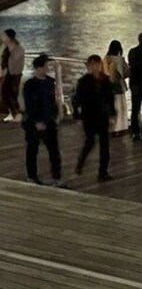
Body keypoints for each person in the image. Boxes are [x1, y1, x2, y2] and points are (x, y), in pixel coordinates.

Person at [20, 54, 64, 186]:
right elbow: (29, 105)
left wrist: (55, 115)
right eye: (45, 66)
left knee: (54, 150)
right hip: (34, 122)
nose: (47, 68)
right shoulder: (29, 85)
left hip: (48, 120)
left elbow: (53, 101)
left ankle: (57, 177)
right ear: (38, 68)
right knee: (32, 149)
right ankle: (32, 176)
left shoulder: (50, 82)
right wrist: (36, 121)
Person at [73, 55, 116, 181]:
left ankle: (103, 172)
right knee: (90, 141)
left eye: (96, 64)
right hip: (89, 115)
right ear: (88, 66)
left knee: (104, 144)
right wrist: (77, 115)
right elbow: (77, 99)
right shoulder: (83, 81)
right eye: (91, 65)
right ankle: (81, 160)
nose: (94, 67)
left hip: (102, 115)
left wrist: (112, 114)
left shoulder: (106, 80)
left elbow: (110, 98)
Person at [103, 40, 130, 136]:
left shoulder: (105, 59)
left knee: (111, 107)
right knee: (120, 107)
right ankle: (120, 127)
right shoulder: (120, 60)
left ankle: (110, 128)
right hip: (119, 86)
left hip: (107, 86)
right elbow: (127, 72)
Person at [1, 28, 25, 122]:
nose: (1, 37)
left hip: (14, 75)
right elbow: (4, 61)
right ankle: (12, 114)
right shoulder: (5, 48)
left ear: (9, 37)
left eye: (3, 35)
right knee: (5, 93)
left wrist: (6, 70)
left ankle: (17, 114)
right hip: (7, 74)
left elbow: (13, 61)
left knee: (12, 94)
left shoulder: (18, 48)